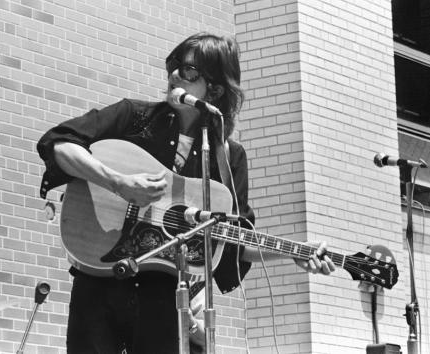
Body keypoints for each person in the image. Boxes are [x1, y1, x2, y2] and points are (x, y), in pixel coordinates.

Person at [37, 32, 335, 354]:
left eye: (189, 71)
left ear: (215, 89)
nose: (175, 74)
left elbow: (231, 241)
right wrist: (117, 182)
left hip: (163, 301)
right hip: (99, 285)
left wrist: (294, 252)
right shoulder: (132, 117)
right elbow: (57, 143)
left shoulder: (227, 157)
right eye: (173, 65)